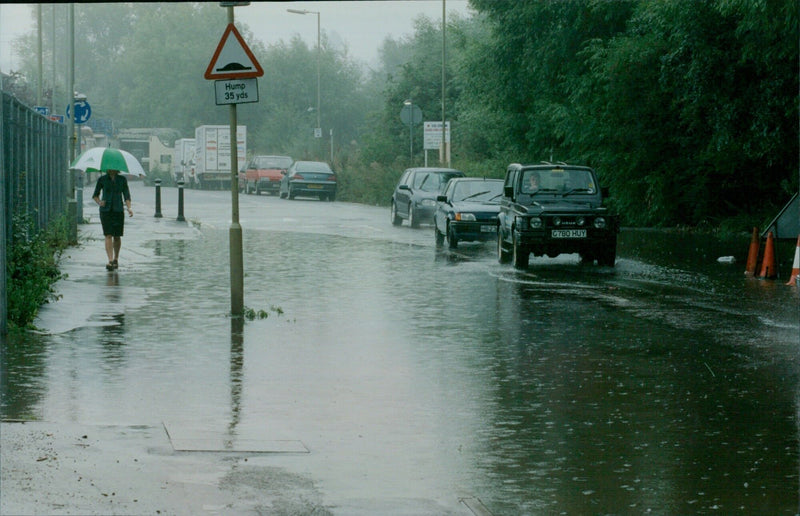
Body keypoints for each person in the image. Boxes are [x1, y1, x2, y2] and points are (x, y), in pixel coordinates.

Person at [92, 168, 133, 271]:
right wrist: (99, 202)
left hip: (118, 210)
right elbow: (95, 195)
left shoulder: (122, 180)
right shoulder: (102, 179)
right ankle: (110, 260)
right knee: (108, 234)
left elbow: (126, 195)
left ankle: (116, 258)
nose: (111, 169)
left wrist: (129, 208)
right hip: (105, 210)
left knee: (117, 236)